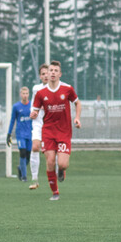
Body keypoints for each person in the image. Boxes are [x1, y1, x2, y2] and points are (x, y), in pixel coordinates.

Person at [30, 60, 80, 201]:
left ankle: (61, 170)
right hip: (48, 131)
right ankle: (55, 192)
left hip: (64, 131)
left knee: (63, 164)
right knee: (50, 161)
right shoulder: (41, 93)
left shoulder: (67, 89)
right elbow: (35, 110)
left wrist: (77, 118)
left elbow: (77, 102)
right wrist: (33, 114)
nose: (52, 73)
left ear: (60, 74)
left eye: (55, 71)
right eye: (50, 70)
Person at [28, 64, 49, 189]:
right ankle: (35, 179)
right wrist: (33, 112)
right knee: (35, 147)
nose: (45, 75)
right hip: (38, 123)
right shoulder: (36, 89)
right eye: (43, 74)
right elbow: (33, 105)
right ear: (40, 76)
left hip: (51, 124)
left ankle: (58, 173)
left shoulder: (56, 89)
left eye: (47, 73)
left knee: (52, 153)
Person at [7, 87, 33, 182]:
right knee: (22, 153)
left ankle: (20, 168)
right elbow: (12, 120)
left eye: (26, 93)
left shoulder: (32, 105)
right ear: (20, 94)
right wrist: (9, 134)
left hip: (30, 134)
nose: (25, 95)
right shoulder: (16, 107)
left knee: (28, 156)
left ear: (28, 94)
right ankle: (24, 177)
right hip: (20, 134)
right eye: (23, 93)